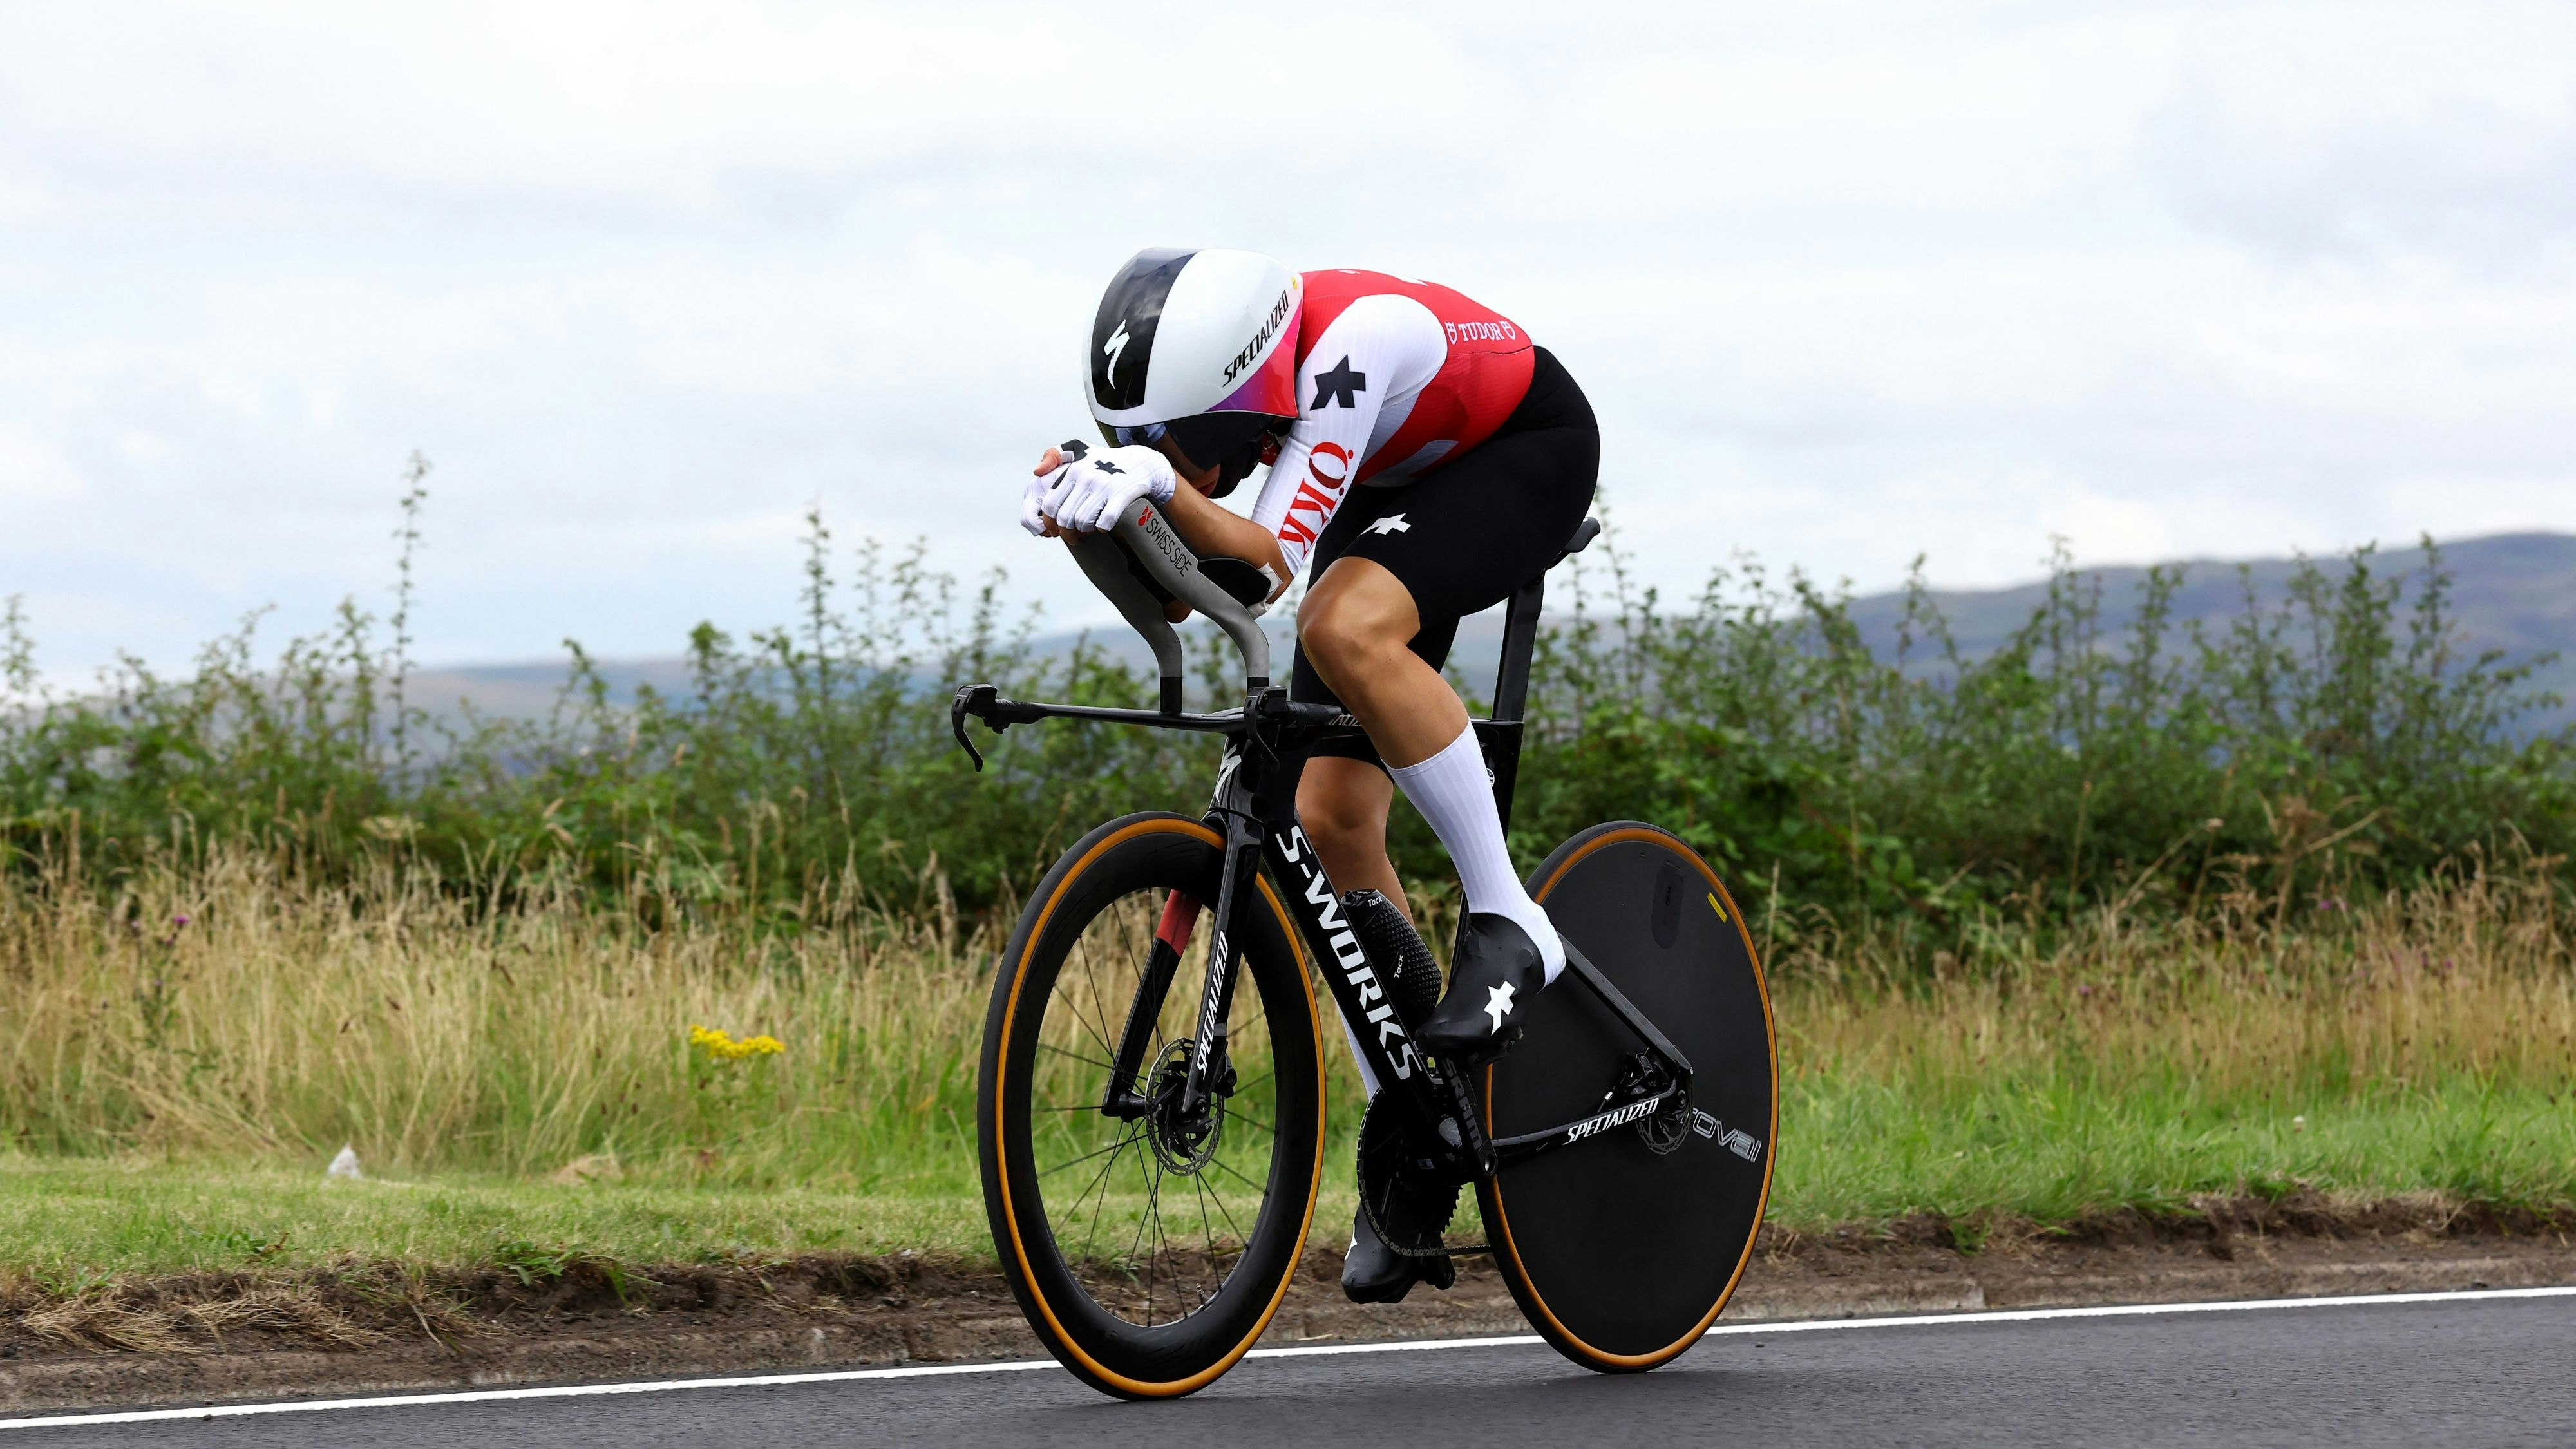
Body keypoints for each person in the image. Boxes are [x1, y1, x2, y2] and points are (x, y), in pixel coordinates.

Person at [1018, 247, 1600, 1303]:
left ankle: (1513, 913)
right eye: (1137, 444)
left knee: (1344, 622)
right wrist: (1088, 515)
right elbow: (1208, 587)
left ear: (1235, 400)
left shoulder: (1346, 349)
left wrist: (1155, 486)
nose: (1176, 467)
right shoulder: (1255, 408)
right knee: (1331, 818)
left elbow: (1273, 563)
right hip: (1399, 481)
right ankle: (1410, 1143)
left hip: (1524, 447)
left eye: (1176, 447)